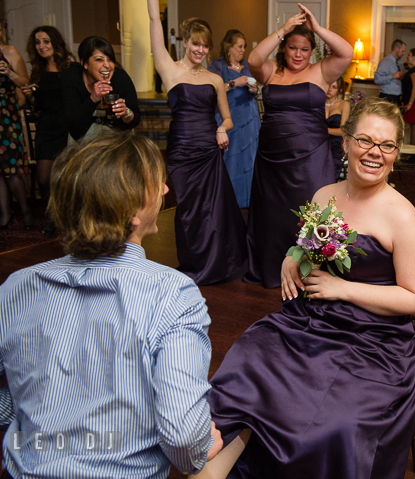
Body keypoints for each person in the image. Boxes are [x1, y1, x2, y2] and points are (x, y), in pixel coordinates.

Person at [196, 97, 415, 479]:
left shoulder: (402, 216)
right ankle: (222, 452)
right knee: (251, 361)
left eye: (387, 145)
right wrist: (292, 259)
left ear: (396, 154)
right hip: (311, 323)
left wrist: (342, 289)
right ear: (345, 142)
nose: (375, 153)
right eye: (365, 141)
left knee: (330, 419)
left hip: (373, 342)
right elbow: (308, 247)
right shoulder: (325, 196)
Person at [0, 131, 223, 478]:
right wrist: (200, 447)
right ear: (133, 212)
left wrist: (25, 409)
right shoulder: (172, 293)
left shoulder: (16, 286)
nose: (166, 190)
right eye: (157, 184)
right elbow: (182, 435)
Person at [244, 4, 352, 289]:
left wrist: (317, 29)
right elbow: (253, 58)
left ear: (312, 52)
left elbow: (346, 53)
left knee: (310, 213)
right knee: (272, 216)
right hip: (271, 160)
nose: (298, 54)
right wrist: (282, 30)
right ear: (284, 48)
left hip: (310, 159)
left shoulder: (322, 71)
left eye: (305, 49)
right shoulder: (271, 71)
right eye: (293, 47)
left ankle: (310, 275)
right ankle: (271, 271)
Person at [148, 0, 247, 285]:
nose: (200, 50)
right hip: (180, 151)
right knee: (189, 210)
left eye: (205, 45)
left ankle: (216, 264)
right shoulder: (169, 69)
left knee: (213, 209)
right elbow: (156, 25)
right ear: (185, 42)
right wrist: (153, 6)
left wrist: (221, 129)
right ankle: (193, 262)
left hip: (208, 149)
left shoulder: (215, 79)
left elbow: (228, 119)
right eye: (195, 43)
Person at [20, 26, 75, 236]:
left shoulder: (71, 69)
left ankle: (64, 217)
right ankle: (53, 214)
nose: (41, 46)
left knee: (63, 178)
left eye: (45, 41)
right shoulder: (38, 71)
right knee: (43, 178)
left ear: (55, 42)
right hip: (46, 128)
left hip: (67, 129)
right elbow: (38, 106)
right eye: (37, 42)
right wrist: (31, 96)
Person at [208, 29, 261, 209]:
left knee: (250, 159)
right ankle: (228, 200)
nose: (242, 50)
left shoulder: (247, 65)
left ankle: (248, 201)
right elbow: (211, 90)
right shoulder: (217, 66)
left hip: (250, 118)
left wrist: (254, 90)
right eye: (239, 46)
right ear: (229, 47)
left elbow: (257, 86)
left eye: (244, 47)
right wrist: (233, 83)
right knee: (231, 157)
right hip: (229, 117)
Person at [60, 36, 141, 142]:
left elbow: (135, 120)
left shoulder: (120, 77)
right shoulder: (71, 77)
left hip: (116, 140)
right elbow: (74, 125)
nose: (107, 65)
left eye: (110, 59)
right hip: (82, 141)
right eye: (99, 59)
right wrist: (93, 99)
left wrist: (126, 113)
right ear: (84, 63)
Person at [0, 23, 32, 231]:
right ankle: (5, 213)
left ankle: (26, 210)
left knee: (11, 169)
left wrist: (10, 72)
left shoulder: (9, 52)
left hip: (6, 117)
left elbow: (25, 83)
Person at [326, 77, 350, 180]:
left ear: (340, 90)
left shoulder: (344, 104)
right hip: (317, 141)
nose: (329, 89)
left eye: (334, 87)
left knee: (331, 164)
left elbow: (343, 131)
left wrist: (324, 130)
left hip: (336, 144)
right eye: (328, 85)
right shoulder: (317, 102)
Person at [374, 39, 406, 106]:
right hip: (387, 97)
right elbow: (377, 79)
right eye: (402, 51)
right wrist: (392, 76)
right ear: (396, 49)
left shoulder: (399, 62)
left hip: (397, 97)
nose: (404, 54)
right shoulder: (385, 62)